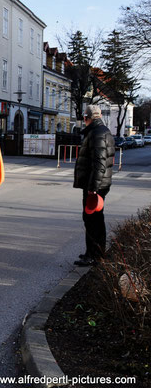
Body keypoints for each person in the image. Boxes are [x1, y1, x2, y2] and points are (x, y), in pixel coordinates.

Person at [73, 105, 115, 267]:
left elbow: (99, 163)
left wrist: (93, 187)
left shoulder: (97, 133)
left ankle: (94, 255)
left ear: (87, 118)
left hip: (95, 184)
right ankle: (94, 252)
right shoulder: (101, 131)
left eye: (85, 118)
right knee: (94, 219)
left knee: (92, 220)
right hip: (97, 183)